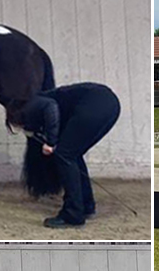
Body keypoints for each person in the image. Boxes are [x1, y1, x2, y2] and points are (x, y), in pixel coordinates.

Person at [18, 82, 121, 228]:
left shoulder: (31, 103)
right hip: (110, 104)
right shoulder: (52, 99)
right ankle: (86, 205)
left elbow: (50, 107)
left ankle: (72, 215)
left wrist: (51, 142)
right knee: (72, 153)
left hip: (95, 103)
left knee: (64, 154)